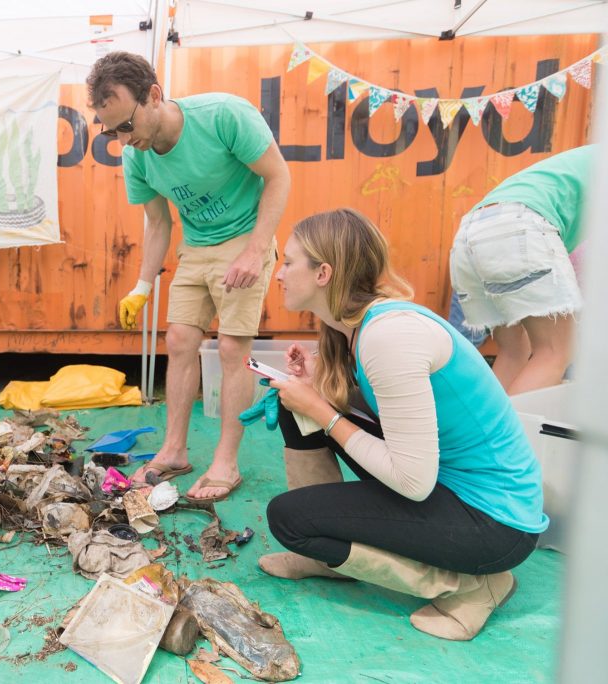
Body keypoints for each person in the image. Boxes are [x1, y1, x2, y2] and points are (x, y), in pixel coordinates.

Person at [257, 209, 547, 641]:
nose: (278, 274)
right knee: (293, 404)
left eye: (288, 262)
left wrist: (323, 411)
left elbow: (413, 481)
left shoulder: (389, 336)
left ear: (323, 273)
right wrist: (315, 390)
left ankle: (474, 585)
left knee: (289, 519)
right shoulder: (354, 327)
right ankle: (327, 556)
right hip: (451, 487)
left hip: (495, 523)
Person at [86, 51, 291, 502]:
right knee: (179, 340)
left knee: (233, 346)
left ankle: (226, 462)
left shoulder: (224, 116)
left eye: (127, 126)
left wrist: (257, 251)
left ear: (154, 96)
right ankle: (175, 450)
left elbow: (278, 177)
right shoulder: (137, 156)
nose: (122, 140)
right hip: (196, 246)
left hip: (245, 236)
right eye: (111, 131)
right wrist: (142, 286)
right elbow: (159, 223)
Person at [450, 145, 592, 394]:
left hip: (472, 231)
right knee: (556, 352)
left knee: (515, 352)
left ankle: (483, 432)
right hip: (520, 226)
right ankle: (509, 434)